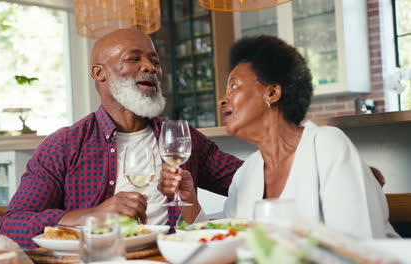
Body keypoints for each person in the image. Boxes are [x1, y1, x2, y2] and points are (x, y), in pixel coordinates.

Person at [0, 29, 243, 248]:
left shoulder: (179, 138)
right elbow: (12, 226)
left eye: (154, 60)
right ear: (99, 73)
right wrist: (91, 216)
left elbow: (251, 182)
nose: (149, 67)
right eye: (134, 58)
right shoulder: (64, 145)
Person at [158, 35, 398, 239]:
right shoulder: (247, 173)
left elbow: (361, 248)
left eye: (234, 86)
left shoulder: (327, 146)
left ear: (271, 93)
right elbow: (226, 242)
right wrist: (188, 201)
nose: (223, 99)